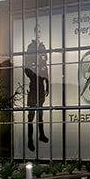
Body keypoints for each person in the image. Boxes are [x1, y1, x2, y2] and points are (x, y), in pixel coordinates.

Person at [23, 23, 50, 152]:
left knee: (40, 114)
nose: (38, 34)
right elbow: (26, 67)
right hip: (33, 86)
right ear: (34, 33)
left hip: (41, 86)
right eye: (36, 31)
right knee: (31, 115)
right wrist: (33, 76)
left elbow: (45, 66)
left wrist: (47, 83)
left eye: (40, 31)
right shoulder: (30, 47)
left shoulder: (43, 47)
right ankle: (29, 140)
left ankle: (41, 135)